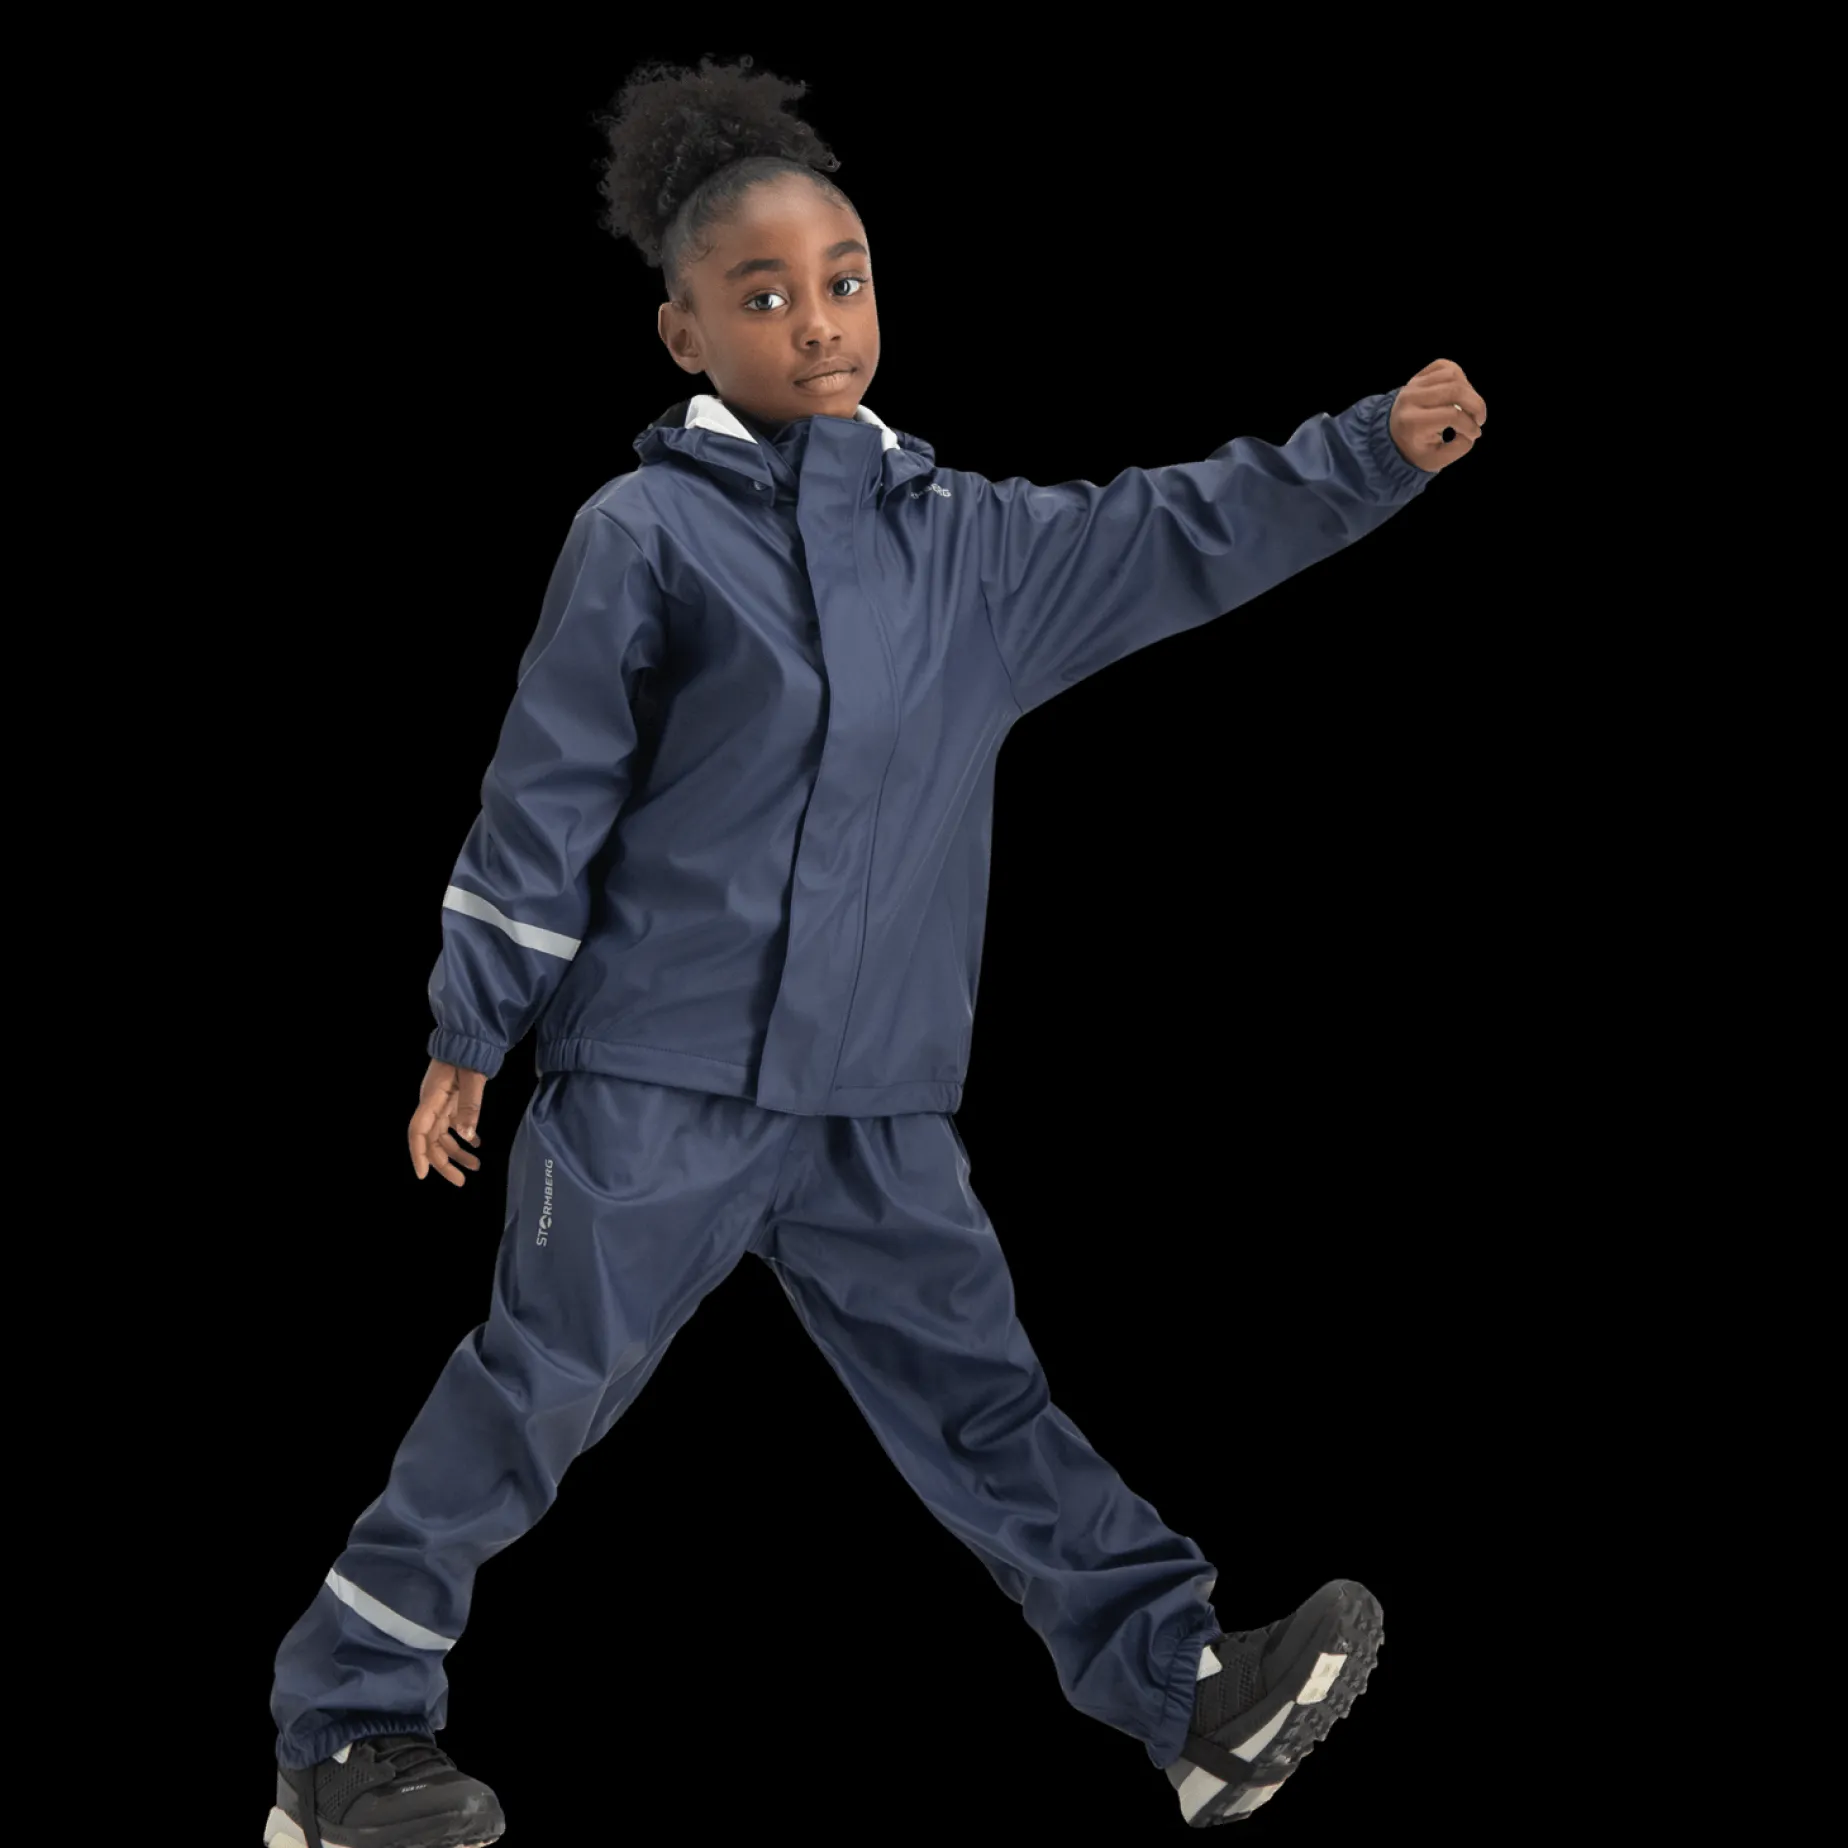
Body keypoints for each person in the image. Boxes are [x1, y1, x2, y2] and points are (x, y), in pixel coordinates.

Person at [262, 49, 1485, 1848]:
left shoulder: (972, 552)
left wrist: (1370, 450)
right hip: (659, 1076)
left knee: (982, 1399)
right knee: (538, 1389)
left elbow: (1183, 529)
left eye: (844, 279)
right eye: (762, 295)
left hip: (875, 1103)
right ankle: (343, 1736)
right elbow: (548, 789)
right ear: (684, 332)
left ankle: (1189, 1701)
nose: (817, 320)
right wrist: (473, 1022)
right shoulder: (644, 535)